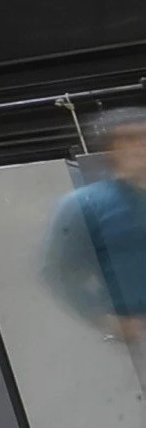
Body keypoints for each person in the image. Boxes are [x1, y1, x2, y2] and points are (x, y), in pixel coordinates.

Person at [48, 109, 146, 358]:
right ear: (111, 150)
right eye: (129, 139)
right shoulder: (86, 205)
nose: (140, 147)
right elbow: (59, 271)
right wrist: (102, 317)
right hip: (134, 337)